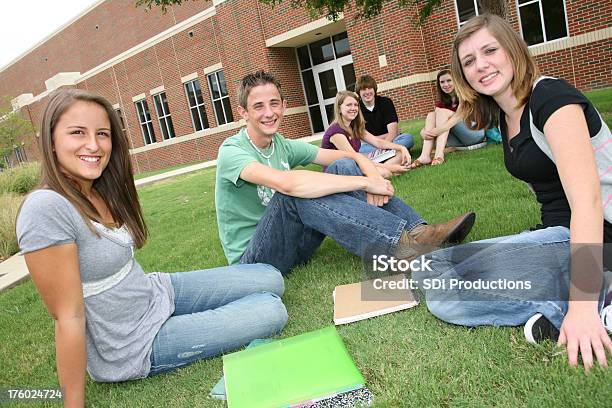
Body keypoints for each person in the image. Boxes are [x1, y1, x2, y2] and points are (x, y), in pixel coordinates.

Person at [16, 89, 288, 406]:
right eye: (78, 133)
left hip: (154, 291)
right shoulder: (45, 208)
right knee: (271, 309)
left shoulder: (98, 188)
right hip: (132, 342)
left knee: (270, 277)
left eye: (102, 134)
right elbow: (68, 317)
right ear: (50, 140)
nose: (93, 145)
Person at [414, 14, 612, 371]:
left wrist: (581, 308)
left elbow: (588, 202)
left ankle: (589, 302)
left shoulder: (551, 99)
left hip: (598, 235)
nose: (482, 65)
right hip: (556, 236)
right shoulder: (505, 113)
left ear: (513, 50)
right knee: (428, 266)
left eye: (490, 50)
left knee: (445, 295)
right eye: (469, 61)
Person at [215, 70, 476, 274]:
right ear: (243, 113)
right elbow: (290, 185)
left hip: (294, 246)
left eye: (274, 103)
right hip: (254, 260)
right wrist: (364, 184)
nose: (269, 112)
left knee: (343, 165)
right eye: (259, 106)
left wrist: (371, 169)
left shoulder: (280, 144)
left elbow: (341, 156)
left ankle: (418, 231)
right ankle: (399, 245)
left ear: (283, 105)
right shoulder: (232, 151)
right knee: (293, 194)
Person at [321, 90, 411, 177]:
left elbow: (377, 142)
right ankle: (387, 170)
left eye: (355, 105)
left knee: (399, 154)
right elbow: (356, 157)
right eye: (349, 105)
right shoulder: (336, 131)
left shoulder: (354, 126)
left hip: (357, 162)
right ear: (339, 108)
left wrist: (401, 147)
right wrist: (390, 167)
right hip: (341, 170)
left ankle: (385, 170)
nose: (353, 108)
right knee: (384, 173)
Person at [410, 69, 487, 168]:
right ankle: (424, 156)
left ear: (455, 81)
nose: (446, 84)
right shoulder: (441, 104)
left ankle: (439, 155)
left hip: (475, 134)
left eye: (449, 80)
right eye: (442, 82)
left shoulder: (465, 96)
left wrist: (435, 131)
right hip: (458, 141)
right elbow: (435, 124)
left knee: (443, 112)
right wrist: (423, 132)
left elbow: (455, 119)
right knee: (431, 115)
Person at [355, 75, 414, 154]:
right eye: (363, 89)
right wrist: (380, 140)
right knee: (361, 150)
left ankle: (379, 154)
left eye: (369, 88)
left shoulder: (385, 102)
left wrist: (383, 145)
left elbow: (393, 133)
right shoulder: (356, 108)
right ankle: (395, 151)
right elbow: (362, 138)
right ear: (359, 92)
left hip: (391, 139)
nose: (367, 92)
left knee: (408, 138)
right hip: (370, 144)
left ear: (374, 89)